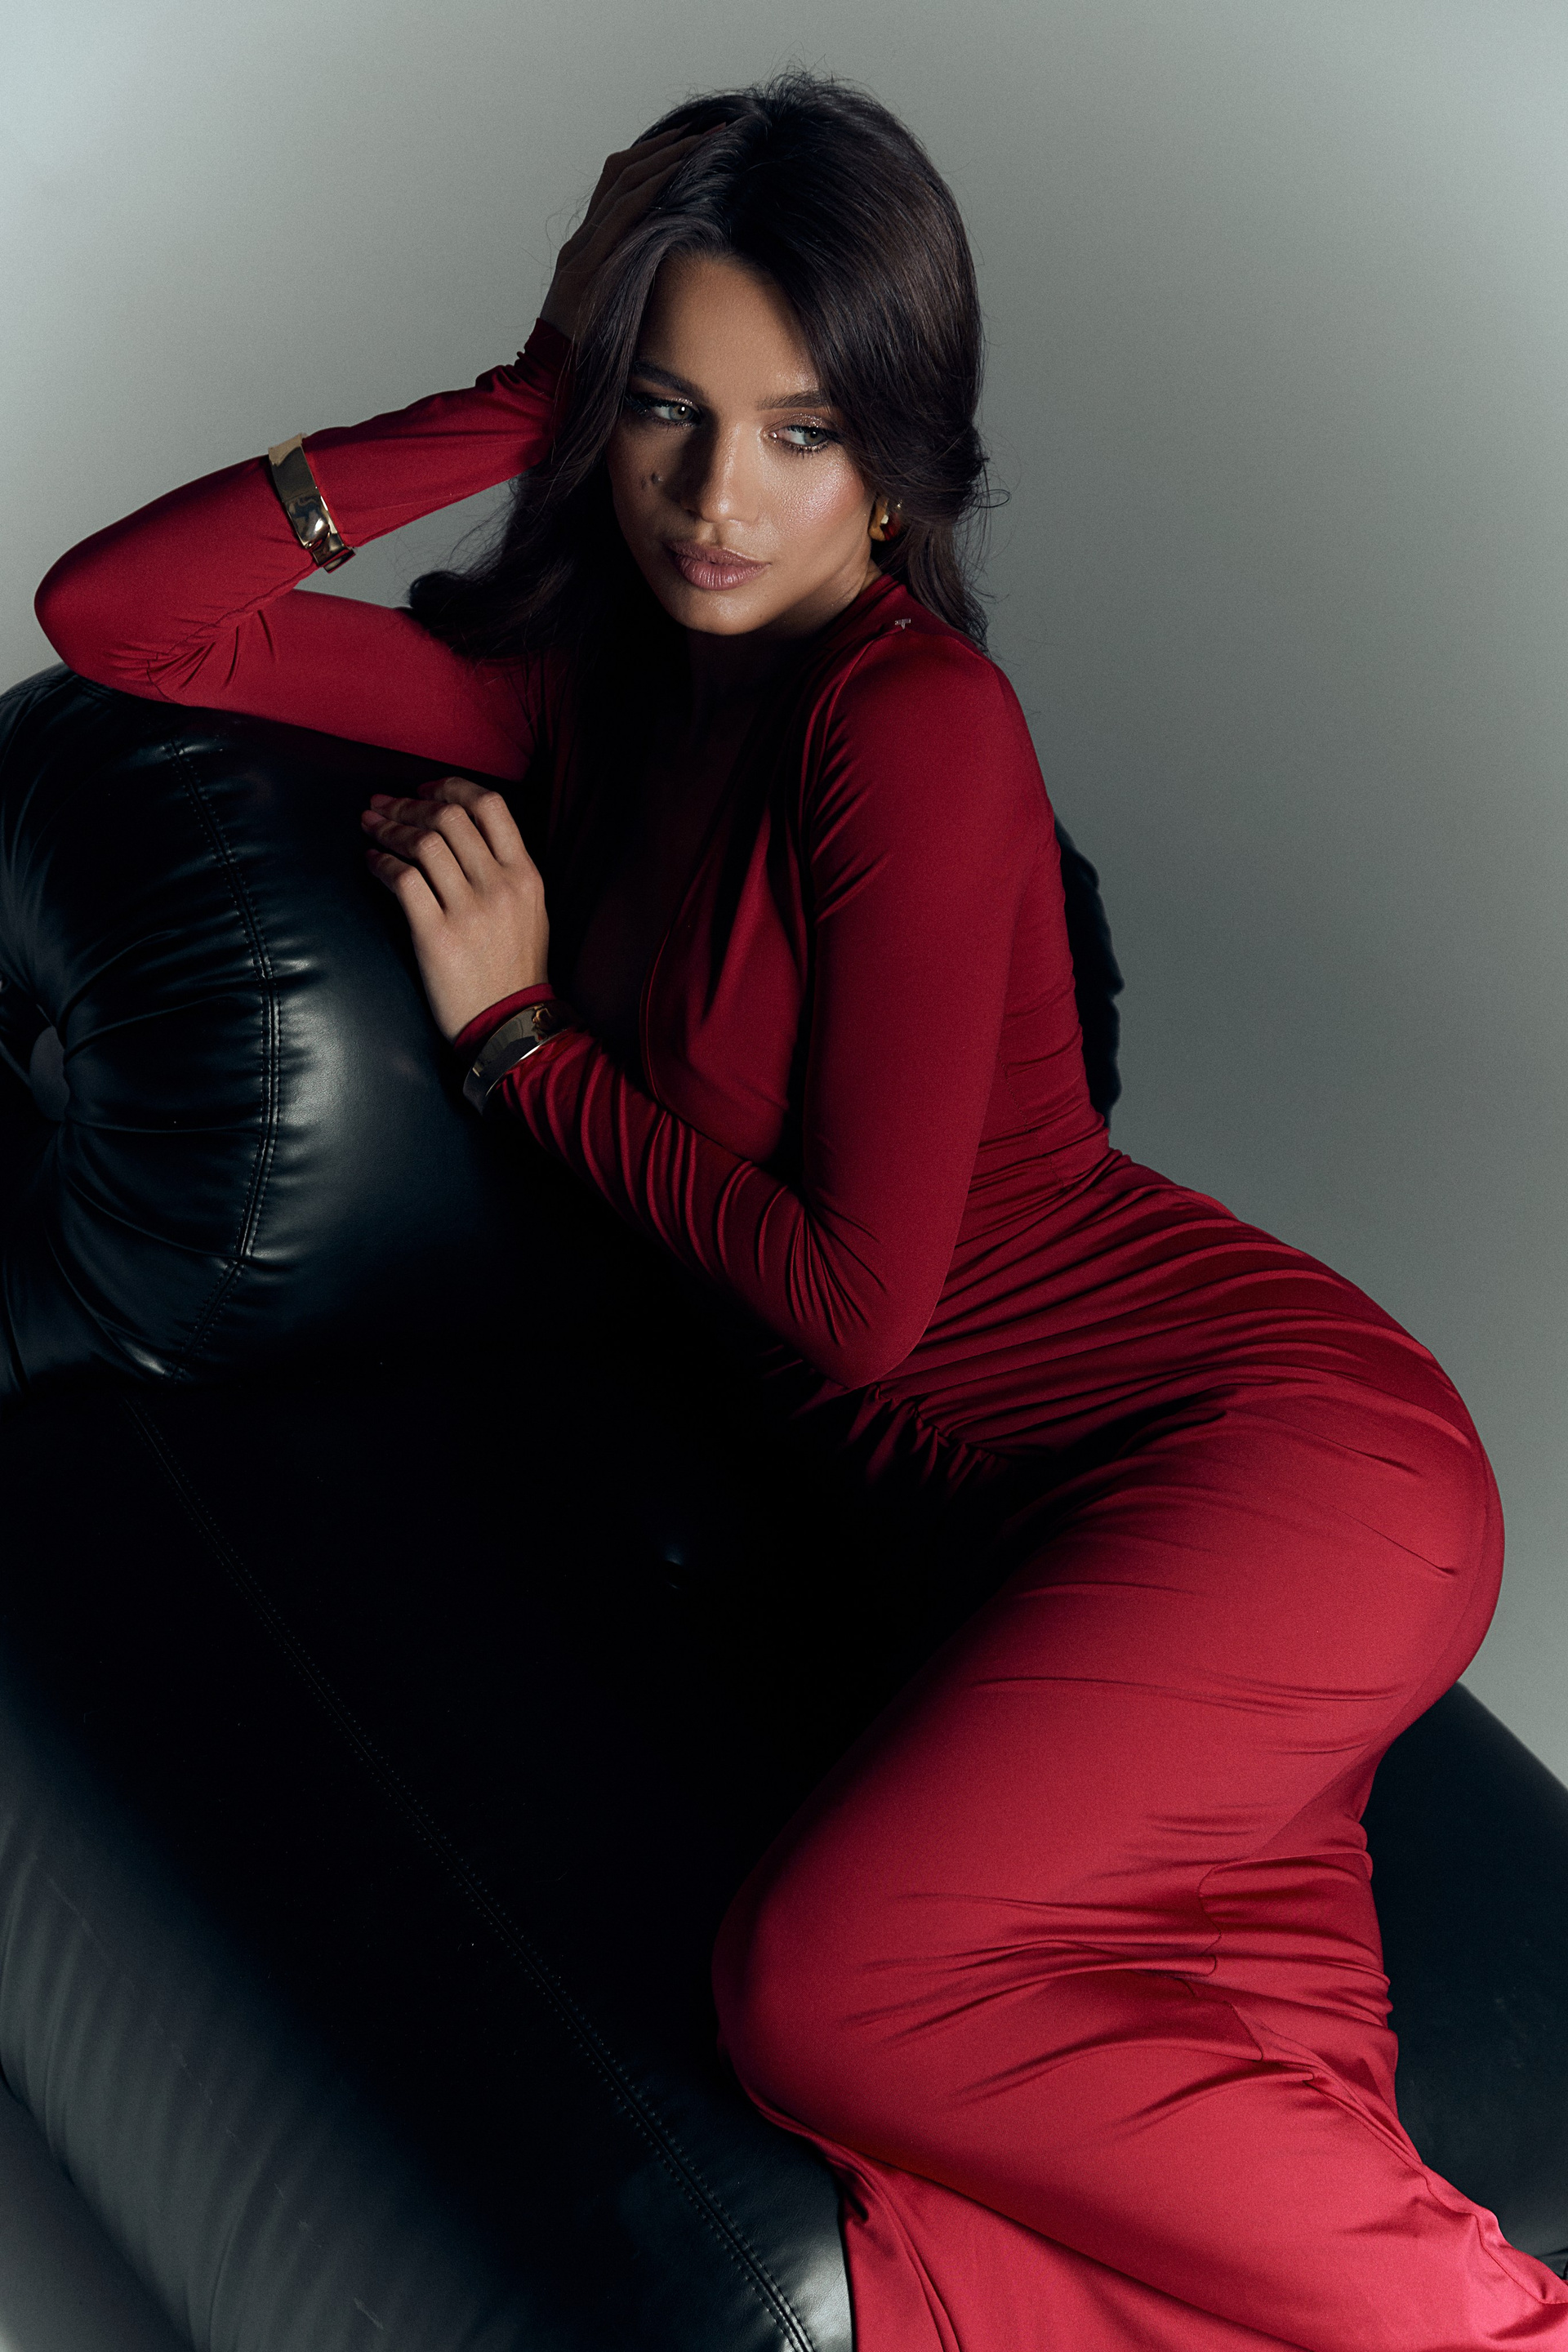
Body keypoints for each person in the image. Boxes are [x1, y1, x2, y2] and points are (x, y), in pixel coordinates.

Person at [33, 71, 1566, 2352]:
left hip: (1259, 1460)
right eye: (669, 412)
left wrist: (524, 1049)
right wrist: (521, 392)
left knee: (827, 1989)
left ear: (897, 457)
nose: (717, 500)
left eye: (801, 431)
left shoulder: (914, 724)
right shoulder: (583, 709)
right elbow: (122, 619)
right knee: (1162, 2129)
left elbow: (859, 1309)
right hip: (1022, 1535)